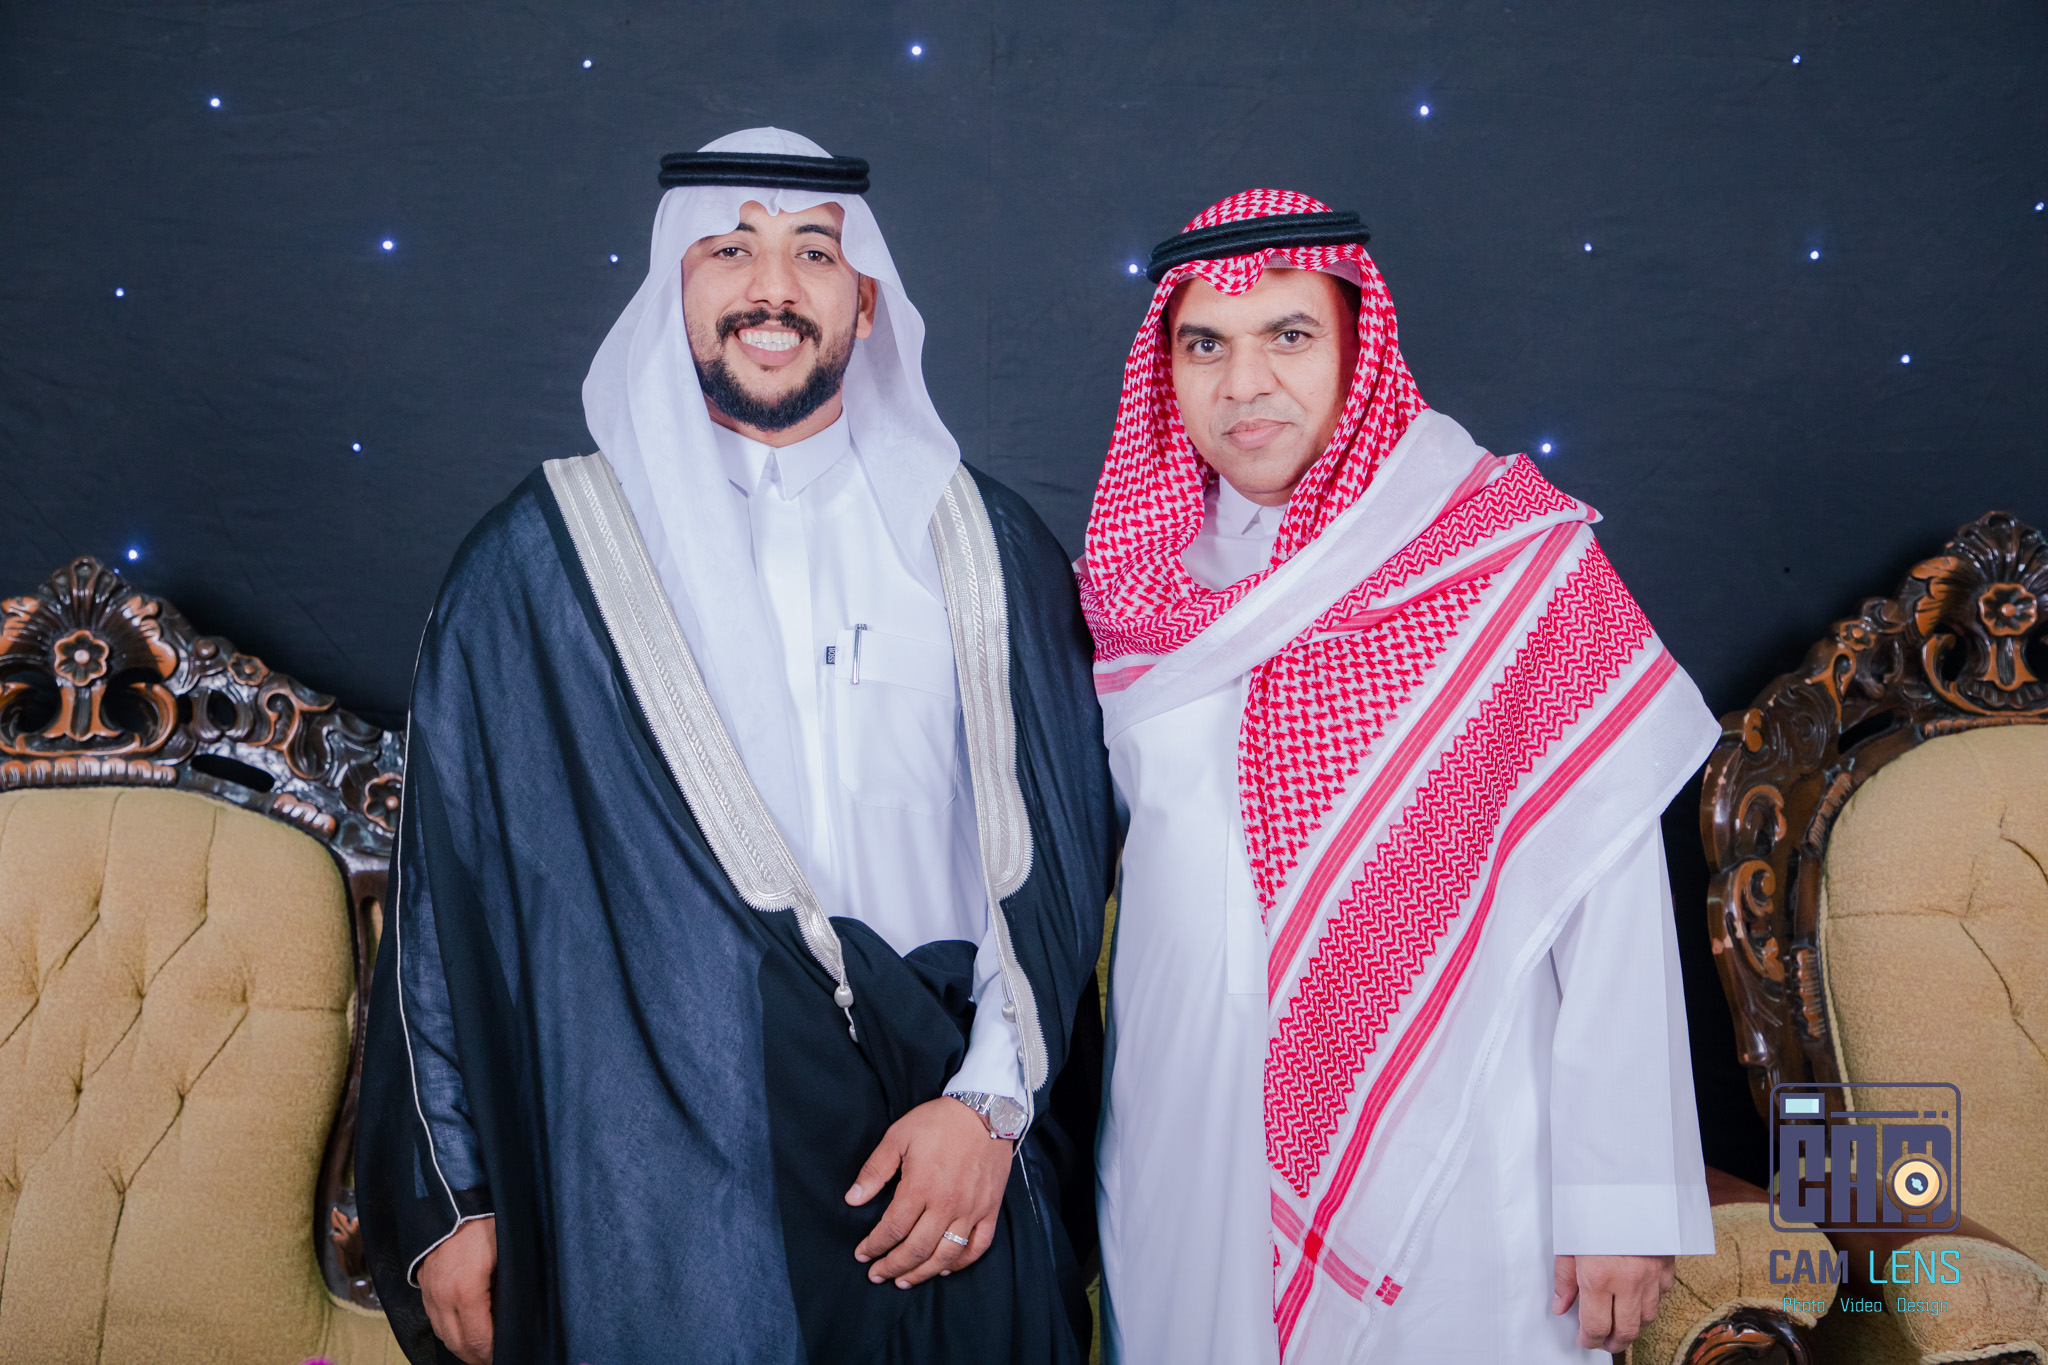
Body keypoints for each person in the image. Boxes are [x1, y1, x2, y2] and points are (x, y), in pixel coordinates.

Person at [355, 127, 1115, 1365]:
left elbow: (1058, 867)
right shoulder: (541, 567)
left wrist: (989, 1106)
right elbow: (449, 900)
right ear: (674, 289)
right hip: (663, 1188)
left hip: (946, 1150)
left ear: (866, 300)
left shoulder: (985, 550)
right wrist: (459, 1199)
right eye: (729, 251)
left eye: (812, 252)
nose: (772, 288)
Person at [1082, 190, 1717, 1363]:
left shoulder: (1506, 556)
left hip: (1455, 1136)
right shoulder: (1132, 590)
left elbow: (1610, 897)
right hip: (1184, 1126)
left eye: (1287, 335)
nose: (1242, 384)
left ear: (1356, 345)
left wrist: (1619, 1193)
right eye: (1204, 346)